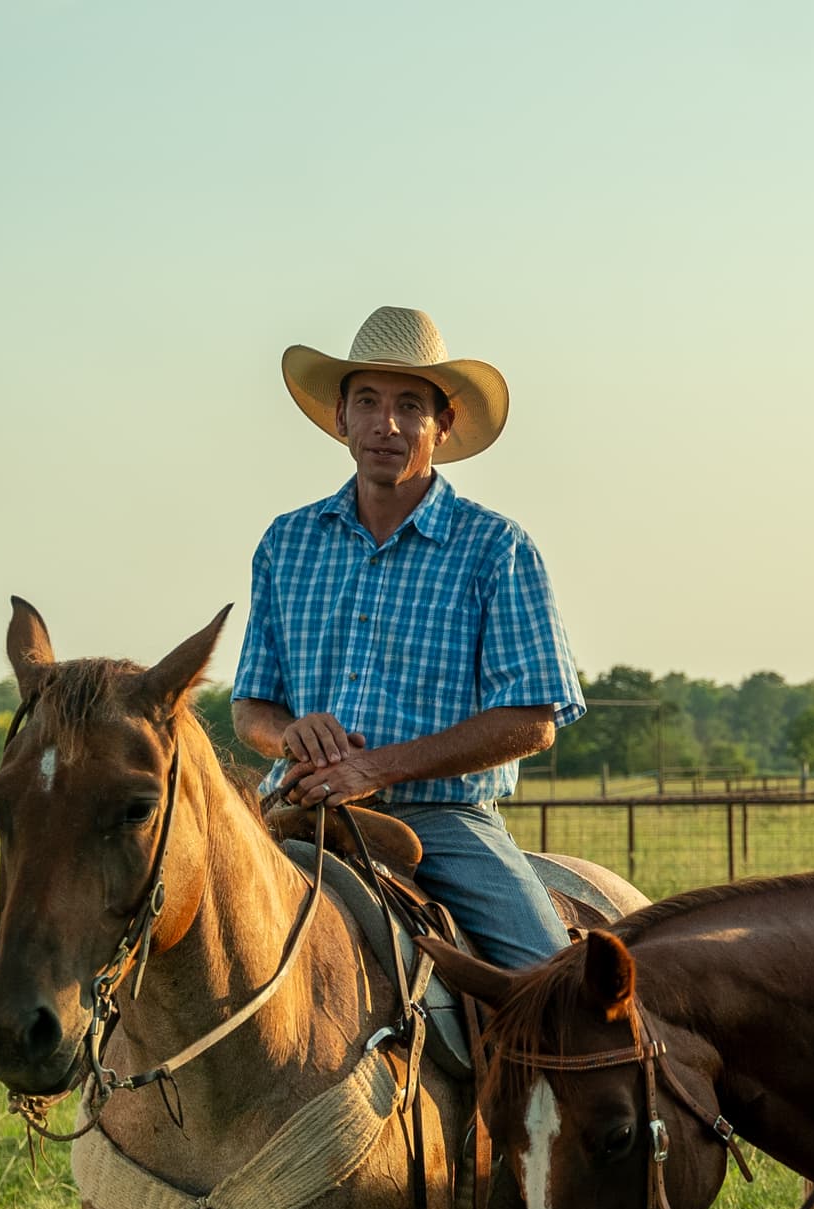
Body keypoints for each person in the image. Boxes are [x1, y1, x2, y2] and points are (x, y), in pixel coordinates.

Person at [230, 306, 588, 971]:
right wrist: (290, 735)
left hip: (442, 823)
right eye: (367, 400)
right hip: (296, 808)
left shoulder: (494, 548)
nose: (384, 424)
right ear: (341, 417)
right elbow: (251, 707)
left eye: (409, 406)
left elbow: (535, 721)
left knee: (552, 991)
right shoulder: (287, 543)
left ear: (441, 424)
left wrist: (378, 766)